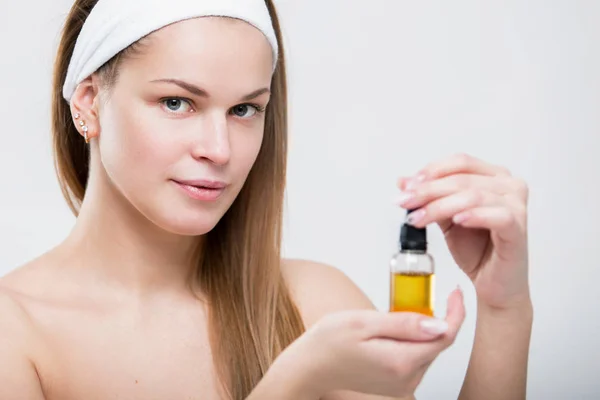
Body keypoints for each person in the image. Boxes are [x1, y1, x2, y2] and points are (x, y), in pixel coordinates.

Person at [0, 0, 533, 399]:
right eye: (177, 102)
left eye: (244, 110)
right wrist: (294, 382)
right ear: (89, 102)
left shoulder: (314, 306)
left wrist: (504, 308)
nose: (219, 150)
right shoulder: (17, 333)